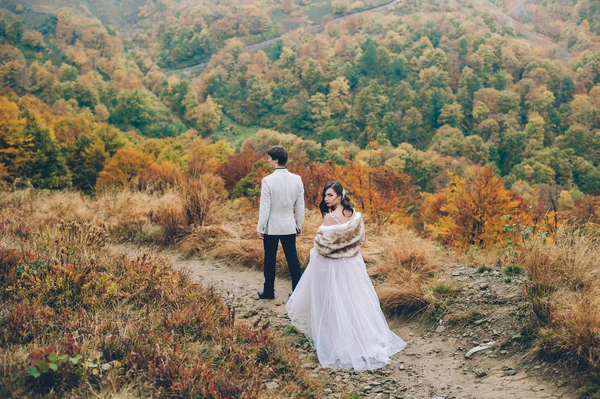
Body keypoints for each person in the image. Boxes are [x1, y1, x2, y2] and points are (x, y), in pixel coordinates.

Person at [286, 181, 407, 370]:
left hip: (335, 268)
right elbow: (358, 240)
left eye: (330, 195)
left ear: (340, 196)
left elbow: (323, 246)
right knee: (354, 300)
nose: (326, 199)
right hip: (353, 264)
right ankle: (361, 337)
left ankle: (338, 341)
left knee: (336, 301)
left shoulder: (329, 218)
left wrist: (317, 242)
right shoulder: (353, 215)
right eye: (325, 195)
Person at [256, 145, 305, 300]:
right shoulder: (297, 179)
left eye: (270, 158)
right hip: (289, 225)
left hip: (271, 226)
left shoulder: (268, 180)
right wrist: (299, 224)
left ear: (276, 160)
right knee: (293, 259)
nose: (268, 160)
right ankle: (297, 292)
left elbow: (265, 207)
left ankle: (269, 291)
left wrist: (260, 227)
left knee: (270, 259)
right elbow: (300, 205)